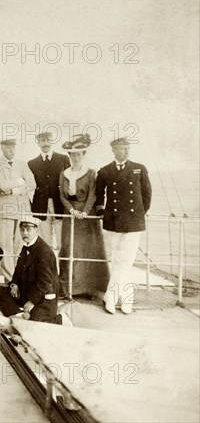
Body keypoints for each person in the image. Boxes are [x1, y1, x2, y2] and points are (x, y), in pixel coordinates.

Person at [95, 137, 152, 314]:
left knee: (126, 261)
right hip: (113, 222)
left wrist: (137, 215)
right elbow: (99, 197)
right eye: (122, 149)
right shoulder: (105, 171)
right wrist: (101, 211)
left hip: (133, 222)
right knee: (118, 261)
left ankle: (112, 297)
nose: (126, 152)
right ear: (114, 151)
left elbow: (147, 195)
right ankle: (126, 299)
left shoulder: (139, 169)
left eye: (128, 148)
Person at [0, 216, 72, 326]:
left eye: (28, 230)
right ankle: (19, 315)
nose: (24, 233)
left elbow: (45, 282)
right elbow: (18, 270)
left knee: (36, 323)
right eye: (22, 230)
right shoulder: (26, 246)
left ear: (36, 230)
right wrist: (14, 284)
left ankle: (61, 319)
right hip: (27, 291)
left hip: (43, 297)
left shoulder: (44, 252)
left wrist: (31, 302)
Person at [58, 134, 109, 297]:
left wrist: (85, 212)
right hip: (70, 214)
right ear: (69, 156)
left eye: (78, 154)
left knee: (87, 250)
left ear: (83, 155)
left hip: (86, 217)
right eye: (73, 155)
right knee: (68, 248)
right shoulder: (64, 173)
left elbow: (93, 195)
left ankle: (89, 289)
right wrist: (72, 210)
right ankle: (68, 288)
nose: (75, 157)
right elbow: (62, 196)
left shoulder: (90, 173)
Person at [0, 137, 36, 279]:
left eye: (13, 147)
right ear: (2, 148)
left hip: (22, 209)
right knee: (5, 245)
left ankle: (18, 277)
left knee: (20, 243)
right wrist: (19, 182)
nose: (11, 150)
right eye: (8, 147)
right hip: (5, 209)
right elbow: (1, 185)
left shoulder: (22, 165)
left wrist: (13, 190)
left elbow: (32, 183)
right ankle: (9, 278)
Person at [28, 132, 70, 250]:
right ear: (38, 143)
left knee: (62, 241)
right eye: (42, 141)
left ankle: (63, 267)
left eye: (48, 140)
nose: (45, 143)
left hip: (60, 204)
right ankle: (47, 267)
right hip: (41, 206)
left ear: (52, 141)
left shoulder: (63, 159)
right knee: (45, 243)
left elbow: (69, 181)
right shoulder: (32, 163)